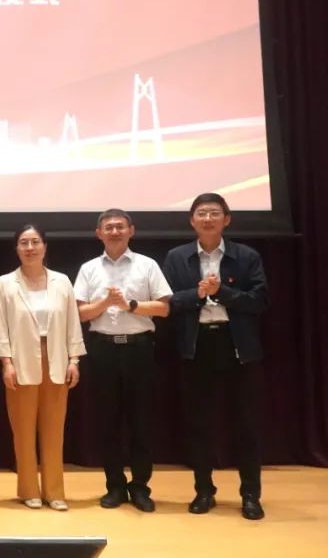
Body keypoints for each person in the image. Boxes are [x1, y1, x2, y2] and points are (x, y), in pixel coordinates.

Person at [162, 193, 268, 520]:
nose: (208, 219)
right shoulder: (177, 257)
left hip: (237, 346)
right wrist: (198, 295)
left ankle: (250, 495)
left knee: (246, 424)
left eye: (214, 213)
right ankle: (204, 491)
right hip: (196, 345)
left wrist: (222, 292)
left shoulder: (246, 256)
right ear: (192, 220)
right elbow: (168, 302)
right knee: (199, 424)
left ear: (227, 219)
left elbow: (259, 301)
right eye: (201, 213)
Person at [74, 209, 171, 512]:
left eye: (120, 226)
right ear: (98, 233)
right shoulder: (89, 268)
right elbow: (80, 313)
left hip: (139, 349)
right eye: (109, 227)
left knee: (141, 421)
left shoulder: (147, 265)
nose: (114, 232)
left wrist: (130, 305)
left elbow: (164, 308)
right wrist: (106, 302)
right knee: (108, 421)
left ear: (131, 230)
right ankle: (115, 486)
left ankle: (140, 487)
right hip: (102, 350)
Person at [0, 224, 85, 511]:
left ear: (45, 246)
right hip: (20, 361)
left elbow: (72, 322)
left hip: (56, 357)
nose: (30, 248)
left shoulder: (62, 281)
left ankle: (54, 491)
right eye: (24, 243)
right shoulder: (5, 283)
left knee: (54, 430)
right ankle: (28, 489)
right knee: (22, 429)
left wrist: (74, 360)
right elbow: (1, 326)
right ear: (16, 248)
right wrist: (6, 363)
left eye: (35, 242)